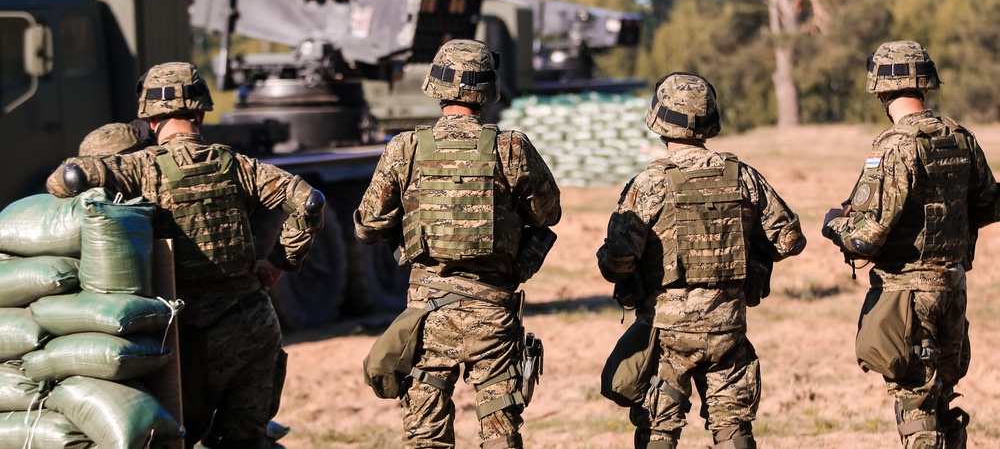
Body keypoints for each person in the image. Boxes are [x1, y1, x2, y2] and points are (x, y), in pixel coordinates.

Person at [46, 62, 325, 449]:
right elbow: (310, 202)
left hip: (183, 335)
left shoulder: (140, 168)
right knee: (247, 441)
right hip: (252, 325)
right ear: (201, 112)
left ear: (150, 117)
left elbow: (70, 177)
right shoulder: (240, 167)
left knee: (177, 439)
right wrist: (279, 263)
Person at [354, 39, 561, 449]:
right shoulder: (511, 147)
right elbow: (547, 215)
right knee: (500, 433)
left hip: (428, 315)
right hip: (493, 312)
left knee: (425, 437)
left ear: (436, 86)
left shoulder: (405, 148)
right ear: (488, 90)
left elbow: (367, 225)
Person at [597, 72, 806, 449]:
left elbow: (617, 259)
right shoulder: (743, 176)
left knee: (659, 429)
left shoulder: (649, 183)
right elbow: (789, 238)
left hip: (667, 334)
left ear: (658, 120)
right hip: (728, 328)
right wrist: (752, 256)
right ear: (710, 121)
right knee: (733, 429)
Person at [822, 41, 998, 449]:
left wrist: (834, 225)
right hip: (953, 286)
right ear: (924, 85)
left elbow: (865, 238)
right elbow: (990, 205)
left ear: (882, 91)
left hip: (907, 296)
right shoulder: (961, 138)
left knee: (917, 405)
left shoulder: (894, 148)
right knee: (944, 398)